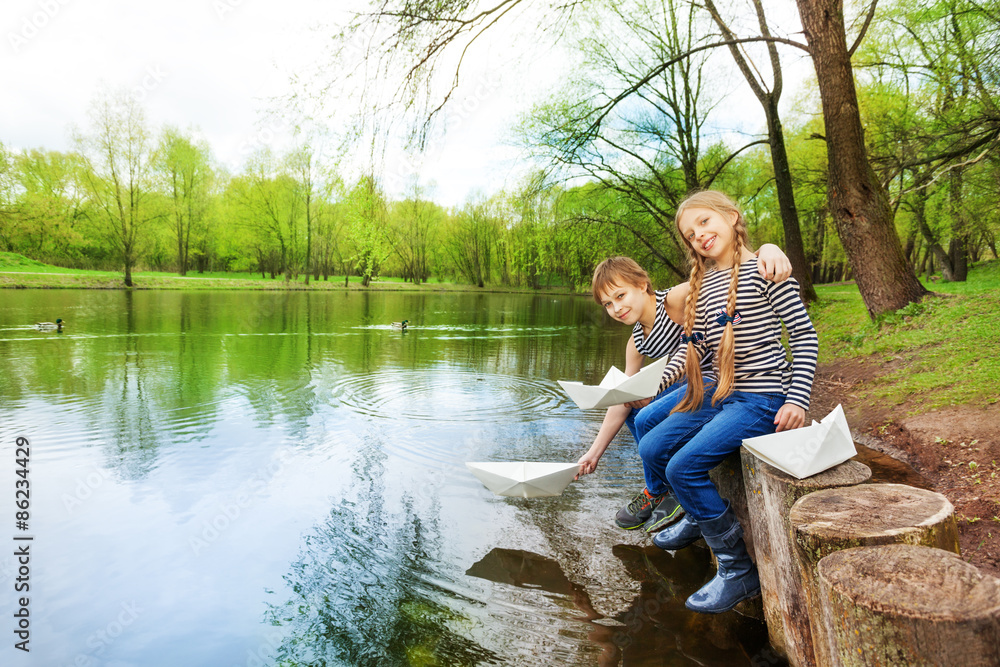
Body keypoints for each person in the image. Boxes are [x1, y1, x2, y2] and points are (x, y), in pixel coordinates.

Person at [639, 190, 818, 614]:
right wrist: (653, 386)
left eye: (704, 222)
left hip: (761, 398)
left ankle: (738, 569)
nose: (699, 235)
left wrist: (798, 398)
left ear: (731, 216)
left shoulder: (767, 268)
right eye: (689, 233)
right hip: (720, 393)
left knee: (684, 466)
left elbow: (805, 337)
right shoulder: (701, 286)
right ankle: (699, 517)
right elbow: (695, 353)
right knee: (651, 445)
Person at [577, 245, 792, 534]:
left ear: (642, 285)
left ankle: (668, 492)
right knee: (631, 405)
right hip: (682, 383)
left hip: (715, 380)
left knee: (646, 416)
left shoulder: (674, 299)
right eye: (607, 304)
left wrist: (766, 250)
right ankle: (659, 490)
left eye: (620, 295)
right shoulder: (637, 342)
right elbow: (621, 399)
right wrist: (594, 453)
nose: (616, 307)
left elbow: (725, 275)